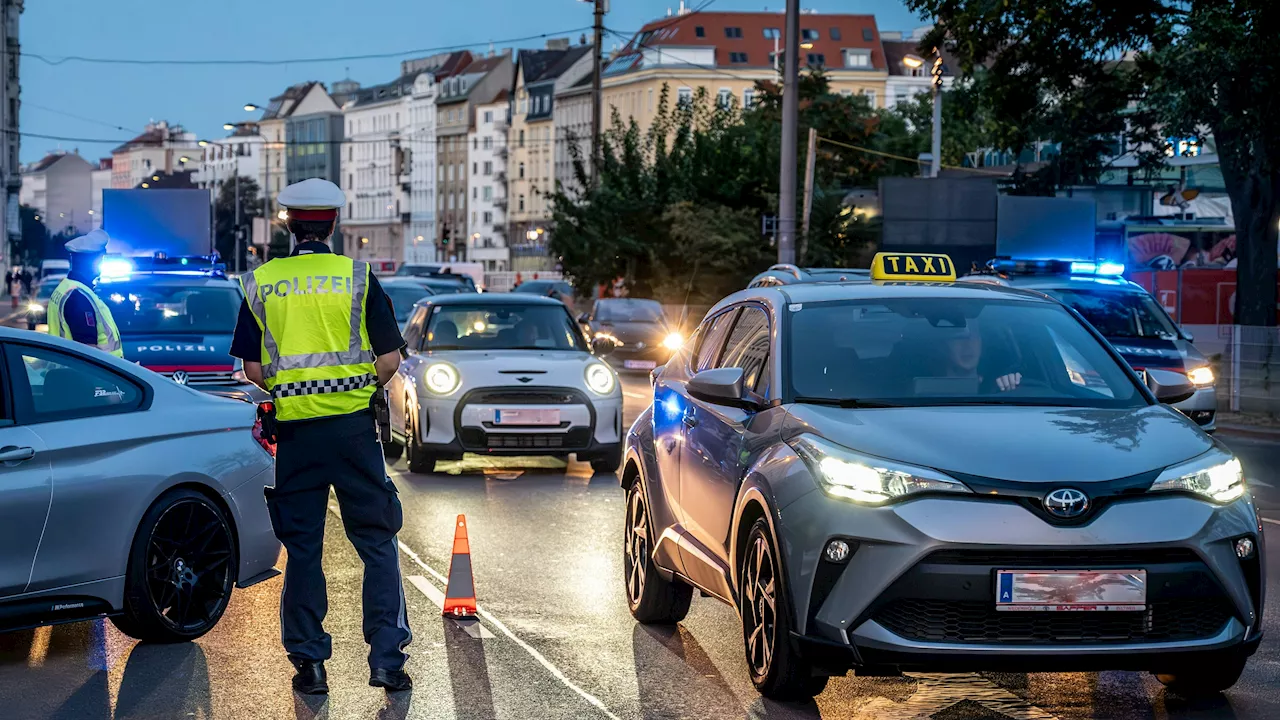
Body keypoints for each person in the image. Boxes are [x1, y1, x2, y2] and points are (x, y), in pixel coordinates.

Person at [229, 178, 413, 696]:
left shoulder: (261, 282)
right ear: (333, 224)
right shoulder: (356, 276)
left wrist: (294, 390)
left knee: (304, 551)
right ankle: (386, 662)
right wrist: (355, 388)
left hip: (297, 440)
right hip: (354, 435)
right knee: (377, 545)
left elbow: (251, 367)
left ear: (288, 224)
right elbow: (390, 360)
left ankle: (310, 664)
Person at [46, 229, 124, 357]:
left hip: (68, 368)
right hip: (94, 374)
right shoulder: (78, 297)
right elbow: (88, 351)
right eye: (100, 258)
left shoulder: (67, 288)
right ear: (88, 262)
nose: (102, 263)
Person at [940, 318, 1022, 392]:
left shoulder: (998, 387)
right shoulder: (930, 390)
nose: (968, 345)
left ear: (981, 342)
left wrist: (1011, 383)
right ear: (945, 345)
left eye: (974, 336)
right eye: (959, 337)